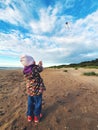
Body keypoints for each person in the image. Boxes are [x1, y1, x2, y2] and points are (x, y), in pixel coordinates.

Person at [20, 55, 46, 123]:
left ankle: (29, 116)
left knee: (30, 103)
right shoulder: (35, 69)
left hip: (30, 90)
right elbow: (40, 68)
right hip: (37, 90)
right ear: (31, 62)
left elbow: (32, 68)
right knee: (38, 103)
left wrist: (33, 64)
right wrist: (40, 64)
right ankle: (36, 116)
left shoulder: (25, 70)